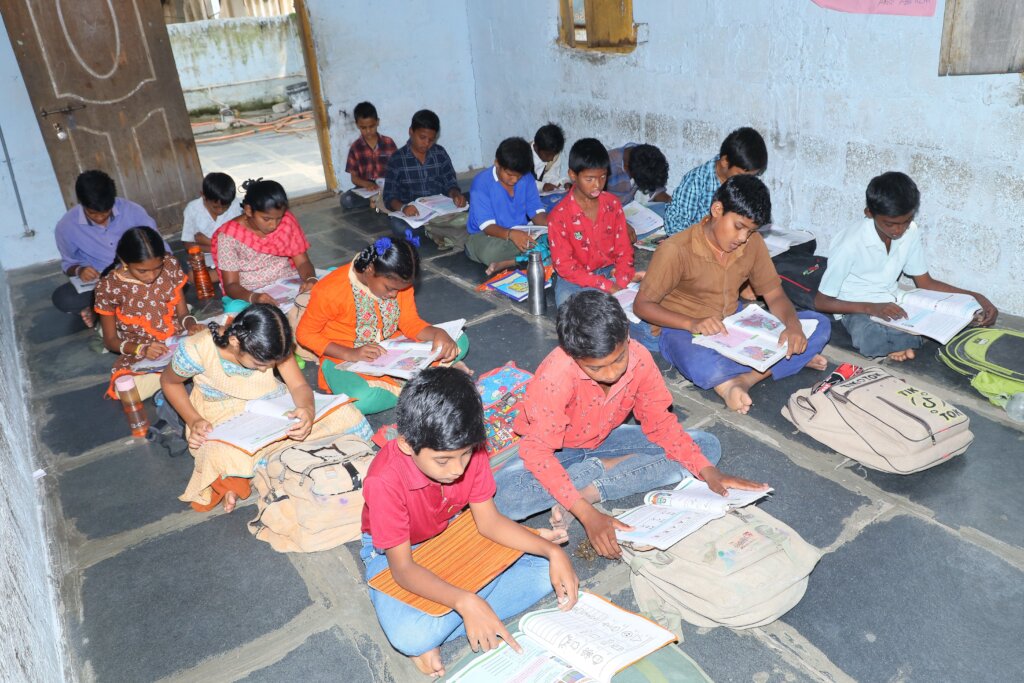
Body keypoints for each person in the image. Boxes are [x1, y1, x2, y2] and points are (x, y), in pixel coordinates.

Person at [493, 290, 767, 560]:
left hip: (607, 441)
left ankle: (589, 492)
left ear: (626, 337)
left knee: (706, 447)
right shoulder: (555, 376)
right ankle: (605, 472)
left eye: (618, 359)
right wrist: (588, 517)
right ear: (572, 355)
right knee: (506, 498)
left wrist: (708, 472)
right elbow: (538, 453)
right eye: (597, 369)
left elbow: (660, 424)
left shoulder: (638, 358)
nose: (612, 374)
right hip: (557, 451)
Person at [361, 367, 578, 678]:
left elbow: (487, 522)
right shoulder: (384, 480)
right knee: (411, 636)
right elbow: (403, 569)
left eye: (464, 455)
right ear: (407, 444)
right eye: (443, 461)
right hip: (392, 555)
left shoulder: (468, 448)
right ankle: (459, 609)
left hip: (451, 531)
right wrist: (465, 600)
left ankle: (453, 613)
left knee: (548, 573)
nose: (457, 469)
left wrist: (552, 552)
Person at [634, 175, 830, 414]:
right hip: (684, 327)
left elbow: (775, 295)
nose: (742, 238)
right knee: (703, 366)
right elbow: (642, 306)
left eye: (751, 231)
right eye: (738, 227)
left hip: (733, 320)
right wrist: (692, 322)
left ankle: (741, 381)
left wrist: (793, 326)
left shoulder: (752, 243)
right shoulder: (675, 249)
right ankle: (783, 361)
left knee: (819, 324)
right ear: (717, 209)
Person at [160, 304, 373, 513]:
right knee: (218, 452)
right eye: (258, 364)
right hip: (221, 413)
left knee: (344, 414)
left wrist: (307, 410)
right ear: (234, 342)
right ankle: (236, 480)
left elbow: (298, 386)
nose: (264, 370)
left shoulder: (274, 341)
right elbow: (169, 382)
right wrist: (193, 420)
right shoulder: (197, 349)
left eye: (270, 365)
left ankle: (246, 475)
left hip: (272, 403)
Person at [814, 171, 998, 361]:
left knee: (953, 312)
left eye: (906, 221)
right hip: (857, 308)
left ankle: (905, 342)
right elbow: (821, 302)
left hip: (896, 300)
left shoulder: (910, 231)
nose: (899, 230)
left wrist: (975, 296)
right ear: (869, 213)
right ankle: (916, 340)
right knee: (868, 337)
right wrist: (872, 308)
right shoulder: (849, 244)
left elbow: (925, 282)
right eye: (890, 224)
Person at [295, 236, 468, 415]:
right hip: (342, 356)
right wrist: (351, 353)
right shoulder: (330, 290)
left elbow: (409, 322)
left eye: (399, 290)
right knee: (362, 399)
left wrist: (437, 333)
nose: (394, 295)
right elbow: (305, 333)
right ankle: (426, 382)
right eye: (389, 288)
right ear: (369, 270)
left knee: (459, 341)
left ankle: (414, 385)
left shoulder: (400, 284)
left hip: (393, 346)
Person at [94, 227, 202, 400]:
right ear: (124, 261)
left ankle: (176, 378)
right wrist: (141, 349)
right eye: (142, 271)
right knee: (128, 391)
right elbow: (111, 341)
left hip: (177, 339)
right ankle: (182, 376)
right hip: (140, 351)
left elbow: (182, 315)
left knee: (216, 342)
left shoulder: (170, 265)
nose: (151, 276)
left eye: (157, 268)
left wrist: (191, 325)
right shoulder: (109, 287)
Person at [52, 170, 157, 327]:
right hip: (102, 283)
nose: (100, 218)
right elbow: (68, 264)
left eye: (106, 212)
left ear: (113, 200)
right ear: (82, 203)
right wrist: (80, 270)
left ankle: (104, 310)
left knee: (176, 272)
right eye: (93, 213)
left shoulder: (133, 211)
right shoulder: (66, 226)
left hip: (140, 275)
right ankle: (126, 305)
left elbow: (158, 247)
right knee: (63, 298)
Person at [548, 138, 639, 307]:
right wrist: (607, 286)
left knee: (644, 299)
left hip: (609, 270)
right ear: (573, 175)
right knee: (569, 306)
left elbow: (624, 250)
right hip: (575, 279)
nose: (597, 185)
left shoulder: (612, 204)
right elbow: (566, 267)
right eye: (589, 179)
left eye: (603, 177)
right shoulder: (559, 216)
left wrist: (621, 281)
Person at [211, 178, 318, 306]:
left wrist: (311, 279)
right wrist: (254, 297)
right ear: (249, 210)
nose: (273, 225)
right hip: (250, 291)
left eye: (278, 218)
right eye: (266, 219)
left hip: (287, 282)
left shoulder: (286, 221)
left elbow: (303, 262)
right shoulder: (229, 236)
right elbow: (231, 285)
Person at [664, 127, 767, 235]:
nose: (747, 182)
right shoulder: (696, 181)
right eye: (742, 175)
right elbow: (675, 228)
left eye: (753, 176)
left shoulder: (743, 181)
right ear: (725, 162)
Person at [464, 137, 548, 270]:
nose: (514, 180)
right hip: (486, 236)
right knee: (491, 253)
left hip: (520, 232)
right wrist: (511, 234)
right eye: (509, 174)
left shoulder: (527, 178)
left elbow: (536, 211)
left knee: (556, 235)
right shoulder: (481, 183)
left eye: (518, 176)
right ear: (497, 163)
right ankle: (533, 255)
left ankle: (518, 259)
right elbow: (488, 226)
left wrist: (552, 225)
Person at [382, 109, 467, 237]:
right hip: (415, 214)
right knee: (399, 227)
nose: (426, 143)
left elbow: (450, 183)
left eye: (431, 140)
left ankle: (435, 230)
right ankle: (439, 230)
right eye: (422, 137)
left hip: (442, 211)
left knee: (473, 199)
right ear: (411, 131)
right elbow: (389, 196)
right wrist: (403, 208)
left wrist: (456, 195)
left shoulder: (440, 153)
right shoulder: (397, 159)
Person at [340, 101, 398, 210]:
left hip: (387, 185)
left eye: (371, 126)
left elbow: (398, 168)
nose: (368, 131)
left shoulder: (388, 142)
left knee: (402, 193)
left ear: (377, 122)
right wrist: (366, 184)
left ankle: (379, 201)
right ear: (357, 125)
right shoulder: (355, 148)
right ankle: (377, 201)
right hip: (366, 187)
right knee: (346, 200)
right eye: (363, 128)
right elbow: (354, 178)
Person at [606, 142, 672, 219]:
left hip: (629, 213)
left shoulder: (647, 158)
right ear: (627, 168)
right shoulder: (607, 164)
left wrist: (672, 202)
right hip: (608, 215)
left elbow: (657, 192)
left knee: (666, 212)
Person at [532, 122, 569, 210]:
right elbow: (520, 183)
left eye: (554, 154)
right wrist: (542, 186)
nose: (552, 158)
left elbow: (552, 177)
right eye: (548, 154)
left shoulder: (552, 154)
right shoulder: (522, 156)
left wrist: (563, 183)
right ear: (536, 147)